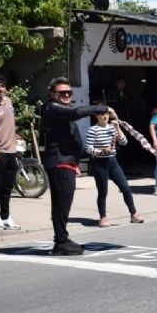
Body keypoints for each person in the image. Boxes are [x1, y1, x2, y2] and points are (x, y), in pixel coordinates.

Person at [42, 76, 112, 255]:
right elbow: (76, 113)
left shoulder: (62, 108)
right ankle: (61, 242)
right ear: (52, 94)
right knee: (61, 204)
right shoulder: (52, 108)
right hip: (59, 163)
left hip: (66, 162)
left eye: (69, 92)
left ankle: (62, 239)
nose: (66, 95)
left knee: (63, 203)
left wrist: (75, 162)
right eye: (62, 92)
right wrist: (100, 108)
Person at [85, 109, 143, 227]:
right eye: (101, 114)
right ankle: (103, 217)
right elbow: (88, 149)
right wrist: (102, 151)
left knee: (125, 187)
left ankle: (134, 213)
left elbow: (124, 142)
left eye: (106, 114)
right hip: (100, 163)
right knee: (103, 191)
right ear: (97, 116)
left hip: (113, 162)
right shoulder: (93, 130)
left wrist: (118, 128)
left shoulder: (112, 128)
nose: (105, 116)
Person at [0, 74, 20, 230]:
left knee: (8, 186)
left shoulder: (8, 101)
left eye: (2, 86)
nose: (0, 89)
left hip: (11, 150)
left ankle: (6, 216)